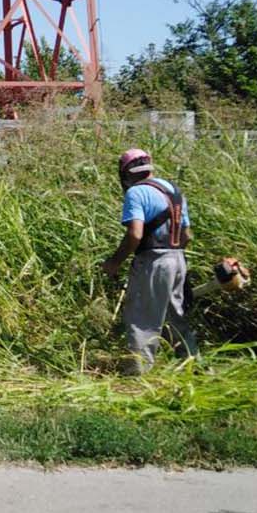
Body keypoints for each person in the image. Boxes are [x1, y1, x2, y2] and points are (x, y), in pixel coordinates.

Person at [101, 148, 199, 374]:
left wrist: (115, 262)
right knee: (176, 317)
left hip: (153, 261)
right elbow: (187, 235)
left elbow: (135, 234)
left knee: (142, 318)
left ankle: (138, 375)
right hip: (178, 259)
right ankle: (193, 366)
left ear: (125, 174)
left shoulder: (136, 193)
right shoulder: (174, 191)